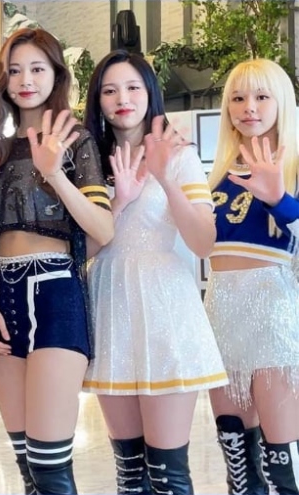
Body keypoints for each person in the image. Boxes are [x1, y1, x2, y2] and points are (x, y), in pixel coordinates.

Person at [0, 27, 114, 495]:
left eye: (37, 68)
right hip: (4, 295)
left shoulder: (77, 140)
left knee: (50, 464)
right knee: (27, 468)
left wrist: (55, 173)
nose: (25, 80)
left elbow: (103, 229)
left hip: (57, 291)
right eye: (14, 71)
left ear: (56, 74)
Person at [81, 49, 227, 494]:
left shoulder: (179, 154)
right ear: (98, 101)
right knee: (130, 472)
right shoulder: (88, 161)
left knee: (167, 472)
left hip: (165, 310)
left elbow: (204, 242)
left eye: (132, 87)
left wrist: (163, 176)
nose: (122, 99)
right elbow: (81, 250)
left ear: (150, 93)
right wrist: (118, 200)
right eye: (110, 91)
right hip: (110, 307)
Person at [205, 58, 299, 494]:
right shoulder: (218, 176)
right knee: (238, 461)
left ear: (281, 102)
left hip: (274, 316)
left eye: (262, 96)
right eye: (238, 98)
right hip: (220, 317)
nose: (249, 108)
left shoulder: (293, 167)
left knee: (283, 460)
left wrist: (281, 199)